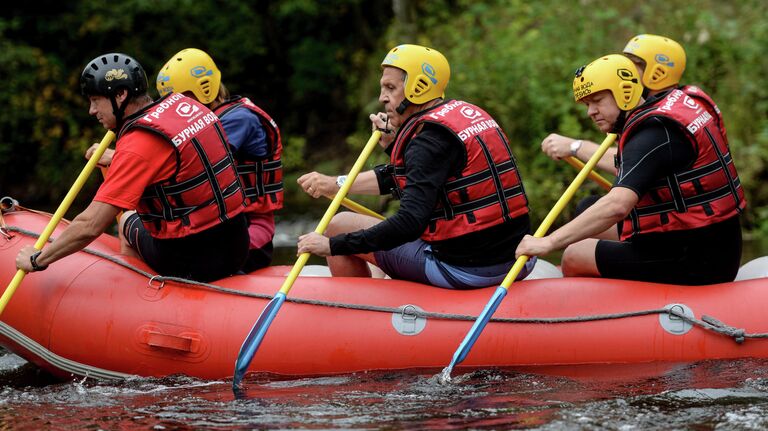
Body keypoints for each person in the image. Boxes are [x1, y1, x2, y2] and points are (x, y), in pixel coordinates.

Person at [296, 44, 533, 289]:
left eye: (390, 88)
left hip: (465, 269)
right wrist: (390, 148)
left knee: (338, 226)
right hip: (520, 259)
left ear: (418, 88)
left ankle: (360, 311)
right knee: (370, 235)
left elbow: (409, 223)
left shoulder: (428, 141)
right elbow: (423, 175)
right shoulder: (466, 114)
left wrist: (332, 246)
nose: (382, 98)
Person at [16, 53, 249, 282]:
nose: (92, 110)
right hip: (237, 243)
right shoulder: (187, 106)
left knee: (127, 218)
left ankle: (137, 291)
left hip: (192, 260)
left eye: (96, 100)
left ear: (120, 95)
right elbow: (173, 162)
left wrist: (38, 259)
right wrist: (117, 158)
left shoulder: (138, 144)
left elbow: (90, 225)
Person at [515, 54, 745, 285]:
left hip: (700, 259)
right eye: (587, 104)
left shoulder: (652, 134)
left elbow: (617, 206)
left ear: (624, 92)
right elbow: (638, 167)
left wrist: (549, 242)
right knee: (587, 207)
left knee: (574, 255)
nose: (590, 112)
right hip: (700, 236)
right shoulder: (666, 108)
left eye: (597, 100)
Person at [152, 48, 282, 272]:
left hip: (249, 231)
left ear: (204, 90)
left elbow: (196, 160)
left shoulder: (240, 119)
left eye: (181, 99)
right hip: (220, 227)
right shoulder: (206, 121)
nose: (175, 108)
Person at [540, 34, 688, 175]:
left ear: (658, 74)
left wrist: (575, 147)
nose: (627, 71)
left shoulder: (662, 120)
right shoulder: (675, 103)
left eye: (633, 65)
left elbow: (634, 160)